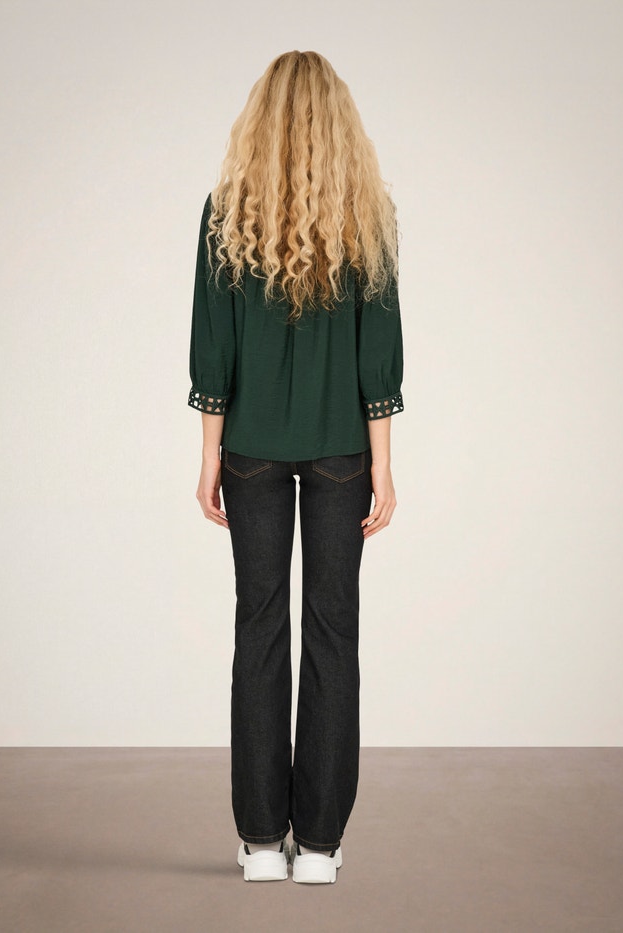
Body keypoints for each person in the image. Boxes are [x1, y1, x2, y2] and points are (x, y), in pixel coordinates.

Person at [188, 50, 404, 884]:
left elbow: (213, 343)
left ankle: (257, 843)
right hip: (344, 448)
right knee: (333, 632)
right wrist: (384, 466)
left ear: (262, 118)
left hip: (249, 448)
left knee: (259, 628)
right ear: (339, 122)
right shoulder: (368, 213)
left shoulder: (225, 213)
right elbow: (378, 349)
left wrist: (207, 456)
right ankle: (317, 845)